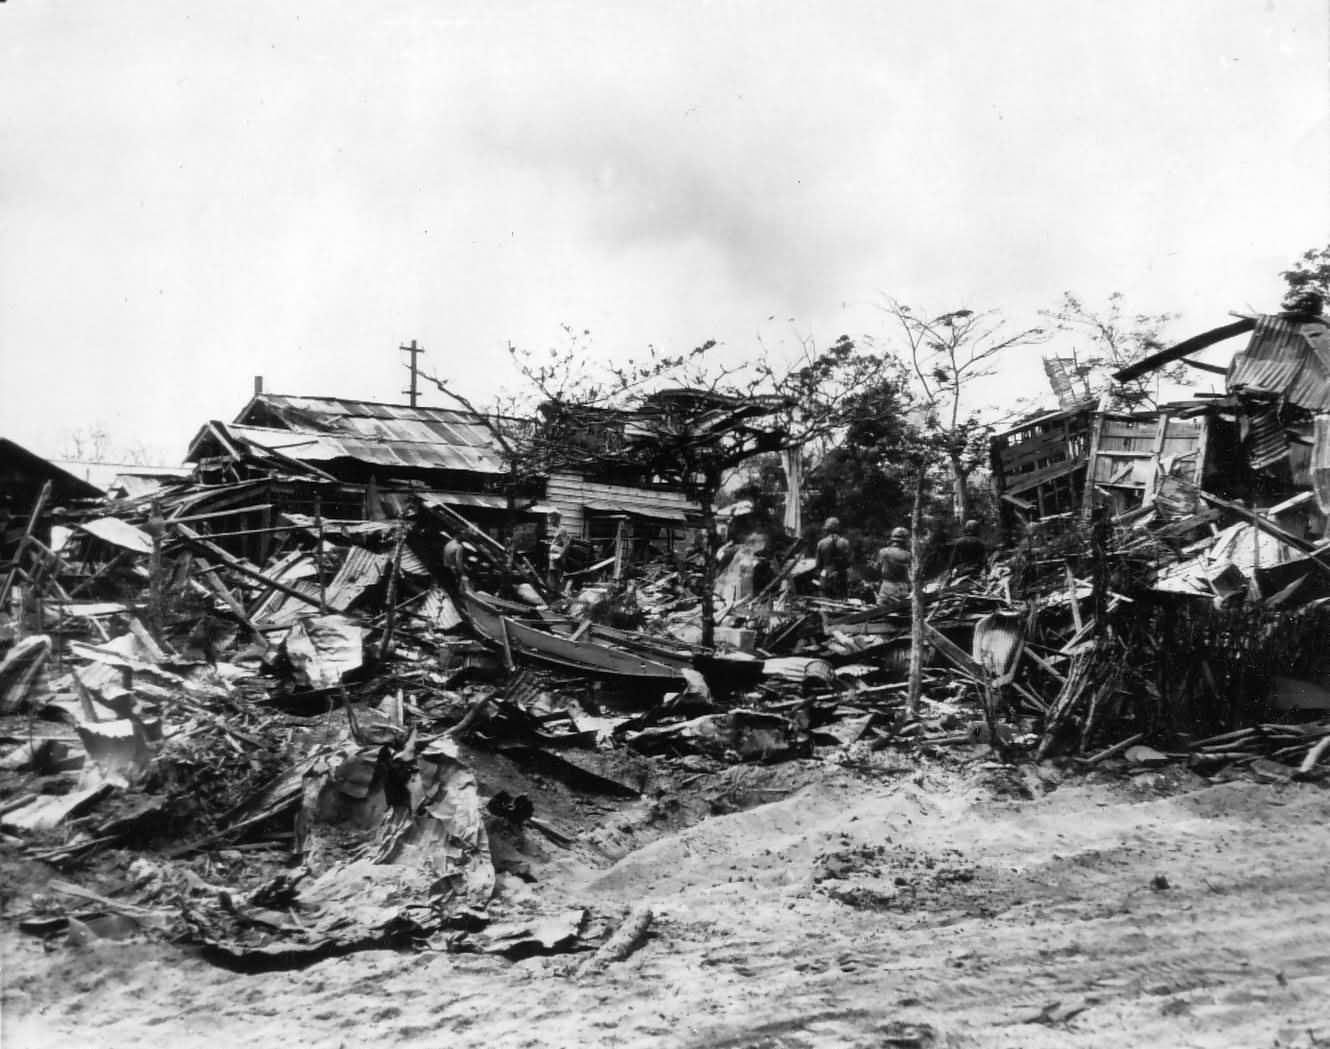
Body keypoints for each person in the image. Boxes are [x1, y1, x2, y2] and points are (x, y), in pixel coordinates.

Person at [814, 516, 852, 600]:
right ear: (838, 528)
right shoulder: (845, 542)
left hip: (825, 575)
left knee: (825, 603)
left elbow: (818, 564)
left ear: (826, 529)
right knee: (842, 605)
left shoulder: (821, 543)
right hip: (840, 577)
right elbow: (848, 562)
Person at [875, 526, 911, 607]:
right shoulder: (908, 555)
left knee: (880, 613)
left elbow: (877, 569)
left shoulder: (883, 552)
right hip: (901, 590)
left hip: (886, 589)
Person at [546, 511, 571, 594]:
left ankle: (556, 596)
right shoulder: (557, 530)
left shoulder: (562, 530)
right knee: (552, 578)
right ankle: (553, 595)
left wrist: (560, 556)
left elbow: (566, 544)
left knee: (555, 578)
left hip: (557, 559)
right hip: (553, 558)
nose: (549, 521)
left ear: (556, 519)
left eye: (551, 518)